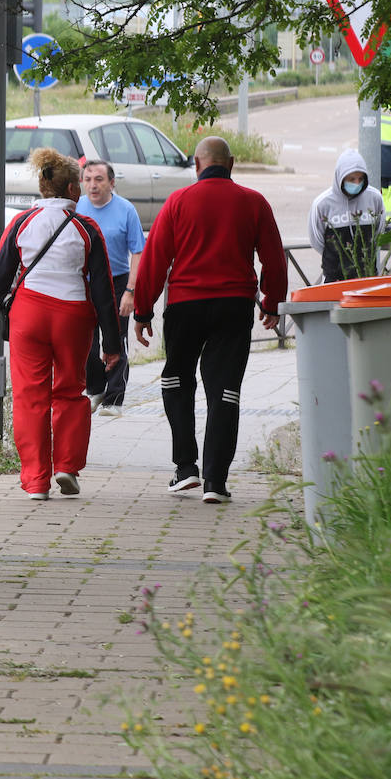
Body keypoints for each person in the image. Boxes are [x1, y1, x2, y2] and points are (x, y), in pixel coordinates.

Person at [131, 136, 288, 505]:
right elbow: (274, 258)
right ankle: (215, 482)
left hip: (186, 305)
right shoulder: (254, 202)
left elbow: (155, 258)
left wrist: (142, 310)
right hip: (234, 306)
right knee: (225, 391)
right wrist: (271, 301)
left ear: (197, 165)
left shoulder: (178, 202)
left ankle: (186, 467)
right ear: (230, 163)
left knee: (175, 379)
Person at [0, 148, 121, 501]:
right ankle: (67, 467)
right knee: (71, 390)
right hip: (73, 316)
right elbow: (104, 290)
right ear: (73, 189)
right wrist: (112, 345)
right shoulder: (86, 228)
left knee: (30, 397)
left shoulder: (22, 223)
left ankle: (36, 482)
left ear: (44, 188)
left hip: (29, 314)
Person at [76, 159, 144, 417]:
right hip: (85, 281)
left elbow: (138, 251)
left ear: (111, 183)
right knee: (86, 342)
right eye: (88, 179)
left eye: (99, 180)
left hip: (117, 281)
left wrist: (131, 290)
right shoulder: (78, 207)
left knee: (116, 338)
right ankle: (95, 387)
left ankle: (114, 398)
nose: (93, 185)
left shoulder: (126, 210)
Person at [308, 149, 386, 283]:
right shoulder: (322, 204)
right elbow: (317, 240)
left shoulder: (375, 198)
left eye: (360, 179)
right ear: (340, 177)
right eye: (351, 179)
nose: (356, 183)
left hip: (368, 276)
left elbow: (378, 232)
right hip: (334, 279)